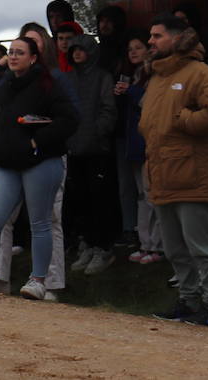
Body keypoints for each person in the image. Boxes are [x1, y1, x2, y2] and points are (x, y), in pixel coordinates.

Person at [0, 36, 78, 300]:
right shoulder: (4, 85)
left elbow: (70, 120)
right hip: (7, 162)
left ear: (33, 57)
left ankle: (38, 280)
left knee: (40, 223)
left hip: (41, 162)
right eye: (10, 52)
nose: (13, 56)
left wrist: (38, 140)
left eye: (19, 52)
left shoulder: (49, 85)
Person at [141, 14, 208, 328]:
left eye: (157, 35)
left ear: (178, 38)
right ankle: (189, 302)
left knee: (201, 247)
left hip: (192, 175)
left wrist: (186, 121)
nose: (151, 41)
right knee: (175, 249)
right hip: (162, 175)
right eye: (150, 36)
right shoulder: (156, 77)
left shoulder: (200, 72)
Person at [62, 33, 120, 276]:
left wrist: (98, 133)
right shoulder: (68, 78)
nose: (76, 53)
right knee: (79, 200)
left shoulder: (102, 77)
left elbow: (108, 109)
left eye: (81, 49)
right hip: (73, 148)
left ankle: (102, 247)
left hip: (96, 149)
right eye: (73, 49)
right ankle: (86, 243)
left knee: (100, 201)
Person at [116, 33, 164, 265]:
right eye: (129, 49)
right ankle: (145, 243)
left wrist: (130, 92)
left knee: (152, 193)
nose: (133, 52)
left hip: (148, 140)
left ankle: (157, 245)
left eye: (137, 47)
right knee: (141, 195)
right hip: (133, 141)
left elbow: (149, 102)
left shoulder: (153, 74)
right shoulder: (133, 75)